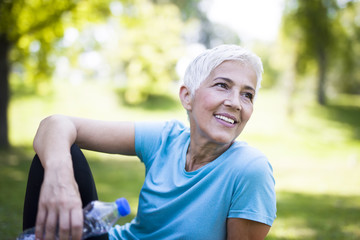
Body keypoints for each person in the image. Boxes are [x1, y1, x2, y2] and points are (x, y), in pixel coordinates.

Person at [22, 44, 277, 240]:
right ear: (187, 97)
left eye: (247, 95)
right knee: (58, 156)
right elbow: (54, 125)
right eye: (222, 85)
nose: (235, 102)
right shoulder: (166, 139)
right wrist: (61, 180)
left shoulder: (250, 169)